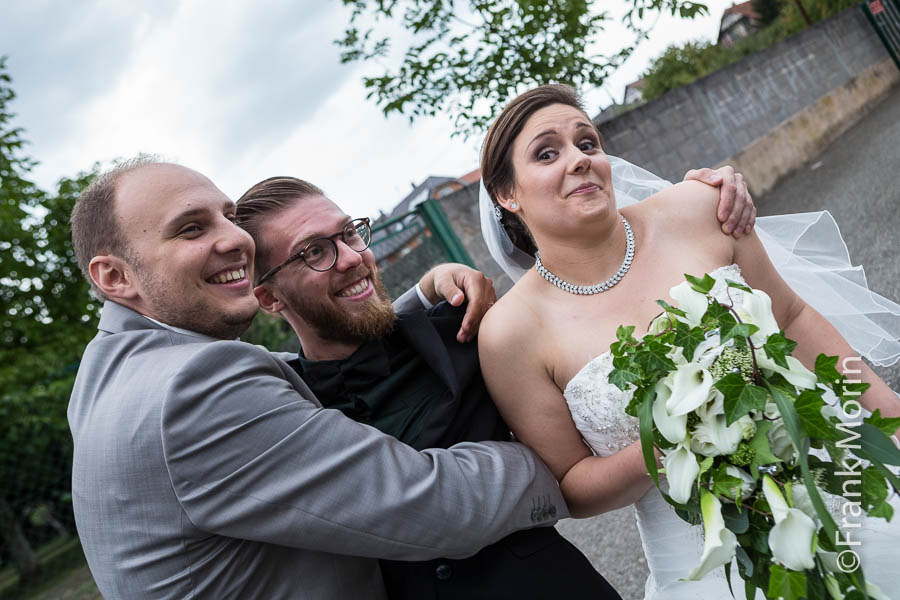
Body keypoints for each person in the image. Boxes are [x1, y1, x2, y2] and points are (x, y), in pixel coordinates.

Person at [66, 158, 572, 600]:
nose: (234, 238)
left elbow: (304, 367)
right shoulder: (194, 386)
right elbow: (431, 506)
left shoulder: (109, 375)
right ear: (115, 277)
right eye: (191, 229)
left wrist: (421, 295)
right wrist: (554, 456)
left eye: (227, 216)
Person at [233, 169, 751, 599]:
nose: (351, 257)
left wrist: (696, 202)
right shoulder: (274, 407)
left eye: (349, 234)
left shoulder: (464, 330)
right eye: (313, 252)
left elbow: (586, 311)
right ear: (270, 299)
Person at [475, 84, 900, 599]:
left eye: (588, 144)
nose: (579, 160)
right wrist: (673, 435)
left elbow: (793, 318)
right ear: (507, 193)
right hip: (706, 561)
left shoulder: (698, 208)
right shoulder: (509, 333)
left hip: (836, 483)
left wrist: (888, 415)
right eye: (548, 153)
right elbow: (572, 482)